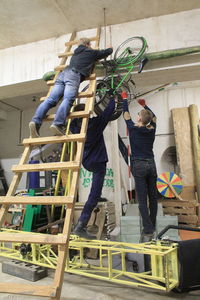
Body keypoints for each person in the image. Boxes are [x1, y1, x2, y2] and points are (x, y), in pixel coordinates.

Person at [29, 38, 113, 138]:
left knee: (51, 100)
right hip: (73, 75)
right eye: (90, 45)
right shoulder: (90, 52)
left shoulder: (75, 53)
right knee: (68, 99)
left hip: (62, 74)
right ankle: (58, 123)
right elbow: (105, 52)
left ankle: (35, 121)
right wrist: (110, 48)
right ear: (87, 44)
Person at [70, 91, 117, 239]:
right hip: (98, 162)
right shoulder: (95, 124)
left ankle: (97, 195)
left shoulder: (75, 128)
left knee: (96, 189)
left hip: (86, 161)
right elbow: (107, 114)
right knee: (94, 194)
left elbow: (72, 120)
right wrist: (113, 99)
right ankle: (81, 225)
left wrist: (75, 108)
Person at [122, 92, 158, 243]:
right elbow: (154, 118)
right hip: (151, 164)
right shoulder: (152, 129)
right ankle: (152, 225)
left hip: (139, 165)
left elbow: (125, 115)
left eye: (139, 115)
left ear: (140, 119)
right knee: (153, 198)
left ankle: (148, 229)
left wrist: (124, 99)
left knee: (142, 200)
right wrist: (145, 106)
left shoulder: (133, 129)